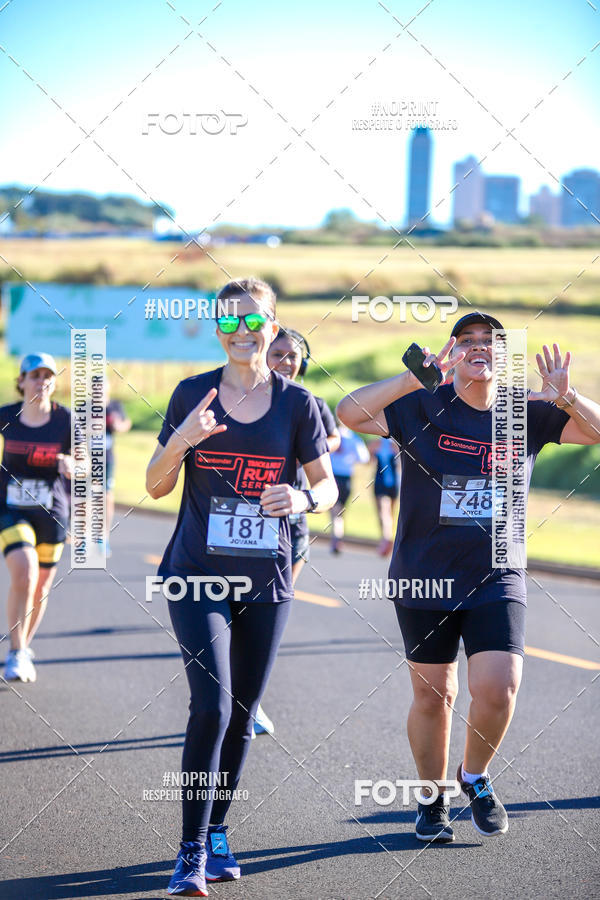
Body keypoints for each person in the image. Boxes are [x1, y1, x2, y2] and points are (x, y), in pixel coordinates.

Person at [337, 312, 600, 843]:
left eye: (490, 341)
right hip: (423, 575)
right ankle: (432, 799)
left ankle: (474, 776)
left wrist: (567, 397)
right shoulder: (421, 407)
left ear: (504, 355)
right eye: (468, 340)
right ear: (453, 350)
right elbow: (349, 412)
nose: (479, 347)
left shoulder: (525, 412)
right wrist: (417, 376)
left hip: (497, 572)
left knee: (499, 689)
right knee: (436, 696)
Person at [146, 277, 337, 896]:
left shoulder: (298, 403)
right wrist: (185, 438)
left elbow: (329, 488)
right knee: (213, 707)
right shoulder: (190, 394)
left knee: (244, 715)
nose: (241, 331)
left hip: (266, 578)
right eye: (228, 322)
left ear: (273, 326)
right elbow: (153, 486)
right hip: (195, 573)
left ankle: (219, 829)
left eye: (253, 320)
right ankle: (190, 852)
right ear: (217, 328)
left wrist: (302, 497)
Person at [250, 327, 340, 738]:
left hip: (291, 523)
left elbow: (333, 439)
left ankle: (250, 701)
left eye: (294, 356)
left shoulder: (310, 405)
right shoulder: (240, 398)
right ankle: (224, 697)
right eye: (278, 352)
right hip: (238, 519)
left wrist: (314, 448)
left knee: (267, 613)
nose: (286, 361)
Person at [0, 353, 72, 683]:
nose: (41, 381)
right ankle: (15, 651)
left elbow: (89, 467)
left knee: (41, 586)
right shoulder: (5, 417)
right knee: (25, 571)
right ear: (21, 380)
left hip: (52, 512)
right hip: (10, 509)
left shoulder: (67, 422)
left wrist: (74, 466)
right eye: (34, 375)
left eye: (47, 375)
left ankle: (23, 647)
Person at [328, 422, 370, 553]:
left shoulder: (331, 437)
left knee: (335, 512)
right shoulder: (354, 439)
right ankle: (337, 538)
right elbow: (364, 458)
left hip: (334, 477)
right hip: (346, 478)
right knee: (339, 512)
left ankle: (336, 540)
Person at [104, 384, 131, 556]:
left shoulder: (114, 406)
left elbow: (126, 423)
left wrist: (117, 425)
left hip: (106, 459)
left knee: (107, 496)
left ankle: (104, 538)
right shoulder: (85, 406)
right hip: (87, 458)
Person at [369, 436, 400, 556]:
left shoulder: (376, 443)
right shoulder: (396, 444)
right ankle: (388, 539)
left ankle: (386, 539)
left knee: (383, 513)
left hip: (382, 482)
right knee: (389, 514)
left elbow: (369, 461)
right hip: (394, 482)